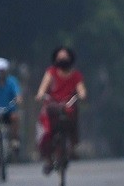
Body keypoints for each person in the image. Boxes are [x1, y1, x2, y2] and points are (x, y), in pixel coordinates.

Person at [35, 46, 87, 174]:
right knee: (46, 133)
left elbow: (81, 90)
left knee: (73, 120)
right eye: (60, 56)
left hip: (68, 106)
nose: (62, 58)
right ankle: (48, 159)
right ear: (56, 59)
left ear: (70, 58)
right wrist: (41, 94)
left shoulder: (76, 75)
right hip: (52, 106)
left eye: (65, 56)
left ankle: (73, 148)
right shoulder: (51, 72)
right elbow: (43, 88)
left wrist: (82, 95)